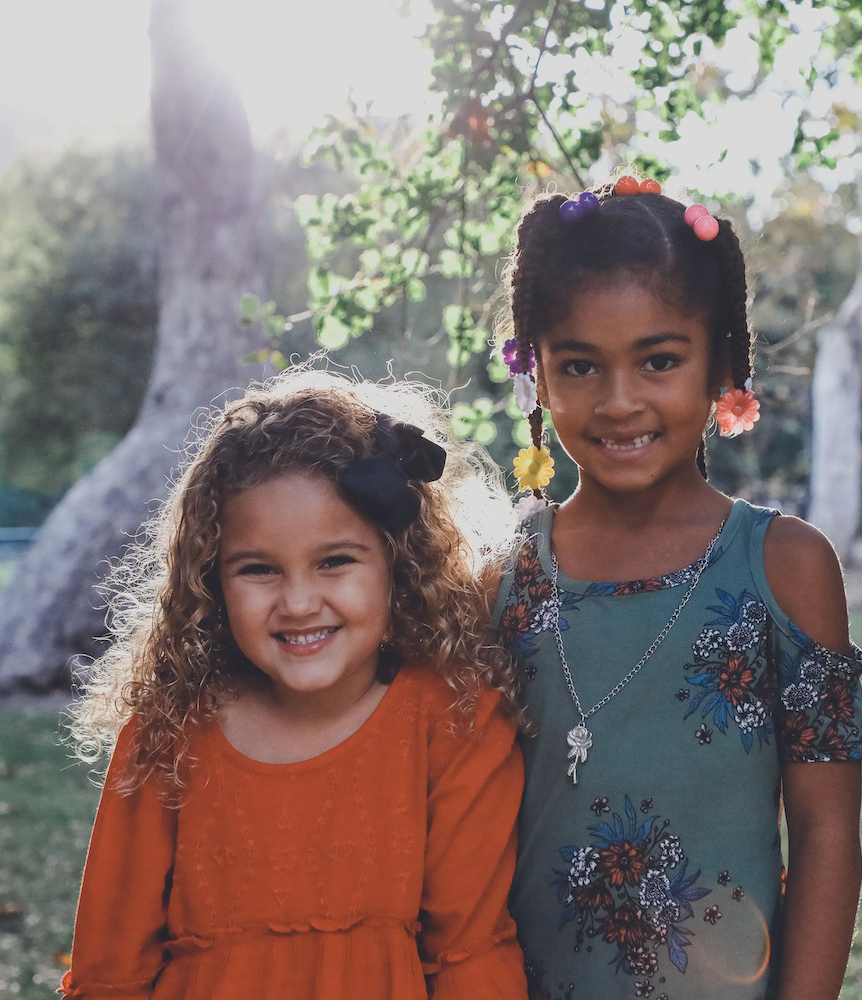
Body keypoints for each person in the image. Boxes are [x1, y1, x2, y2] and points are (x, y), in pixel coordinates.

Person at [491, 181, 862, 999]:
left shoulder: (786, 568)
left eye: (659, 360)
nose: (620, 400)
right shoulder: (501, 569)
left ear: (722, 363)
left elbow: (826, 830)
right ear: (537, 374)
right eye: (580, 364)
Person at [63, 369, 527, 1000]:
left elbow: (470, 957)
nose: (299, 602)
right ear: (210, 582)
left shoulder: (454, 724)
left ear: (399, 561)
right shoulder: (166, 735)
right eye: (258, 569)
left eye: (335, 561)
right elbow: (109, 970)